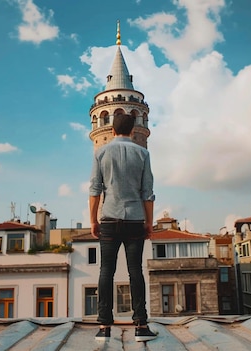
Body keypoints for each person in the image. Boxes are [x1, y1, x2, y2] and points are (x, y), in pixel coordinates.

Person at [89, 114, 157, 342]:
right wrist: (149, 222)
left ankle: (104, 328)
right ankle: (141, 325)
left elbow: (95, 189)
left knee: (106, 271)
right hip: (135, 220)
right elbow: (147, 192)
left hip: (109, 218)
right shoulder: (143, 153)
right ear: (132, 130)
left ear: (112, 129)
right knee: (135, 271)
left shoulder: (101, 153)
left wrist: (93, 220)